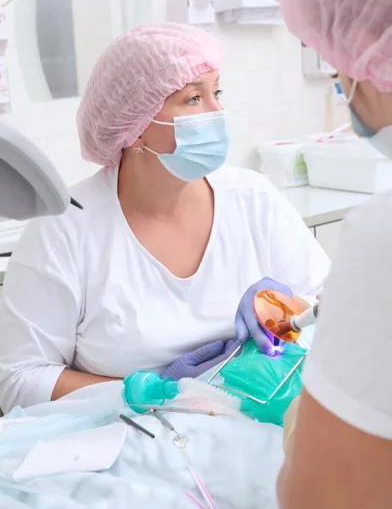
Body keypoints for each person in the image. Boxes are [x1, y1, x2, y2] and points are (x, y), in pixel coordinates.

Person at [0, 23, 328, 414]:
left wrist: (291, 311)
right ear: (135, 127)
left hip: (248, 428)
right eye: (193, 99)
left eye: (216, 92)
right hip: (123, 448)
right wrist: (145, 392)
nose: (217, 112)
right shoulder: (65, 227)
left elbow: (336, 313)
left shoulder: (253, 200)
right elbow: (18, 379)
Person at [273, 0, 392, 507]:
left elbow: (320, 496)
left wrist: (304, 428)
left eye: (339, 63)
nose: (343, 86)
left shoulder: (386, 235)